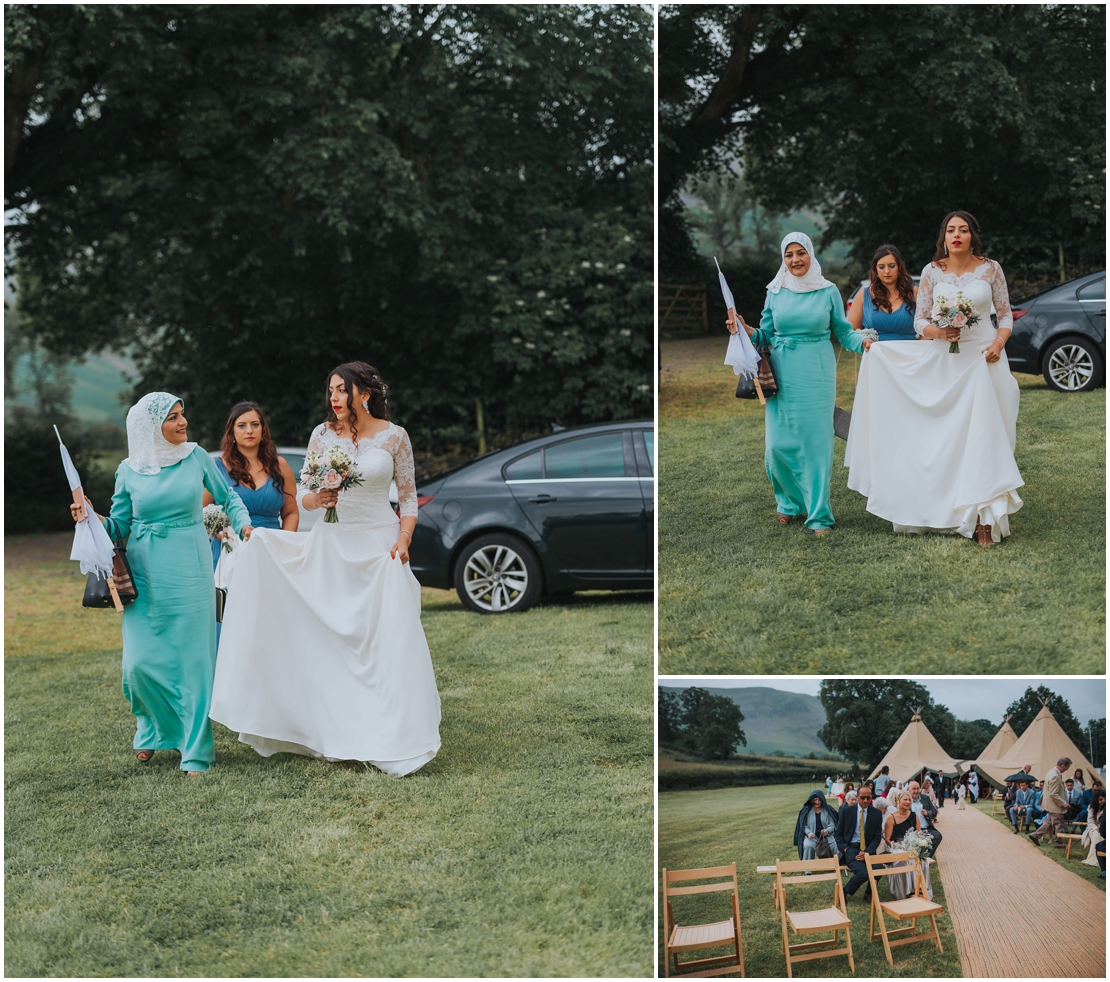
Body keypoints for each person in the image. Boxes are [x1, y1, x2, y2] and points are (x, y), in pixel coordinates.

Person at [210, 362, 441, 775]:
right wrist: (323, 498)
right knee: (335, 642)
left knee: (385, 640)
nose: (333, 398)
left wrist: (403, 539)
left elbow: (407, 499)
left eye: (340, 390)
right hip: (333, 547)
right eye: (330, 391)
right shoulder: (322, 435)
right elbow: (306, 497)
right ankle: (336, 729)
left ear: (363, 394)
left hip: (380, 548)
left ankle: (391, 731)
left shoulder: (394, 436)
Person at [70, 392, 254, 774]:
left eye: (182, 414)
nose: (182, 422)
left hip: (189, 567)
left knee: (193, 663)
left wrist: (244, 524)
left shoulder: (197, 456)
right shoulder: (128, 469)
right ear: (151, 427)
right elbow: (120, 525)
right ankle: (151, 731)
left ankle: (195, 749)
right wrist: (90, 516)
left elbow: (228, 496)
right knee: (138, 664)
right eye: (172, 417)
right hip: (145, 572)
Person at [844, 210, 1023, 546]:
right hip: (949, 360)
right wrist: (939, 333)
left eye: (964, 230)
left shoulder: (991, 268)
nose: (957, 235)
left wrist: (999, 343)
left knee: (988, 434)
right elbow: (919, 321)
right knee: (953, 438)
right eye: (951, 229)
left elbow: (1006, 313)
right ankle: (957, 512)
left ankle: (985, 516)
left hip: (986, 358)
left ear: (973, 236)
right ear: (943, 236)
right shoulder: (930, 272)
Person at [730, 232, 871, 536]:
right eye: (789, 255)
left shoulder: (828, 290)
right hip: (782, 372)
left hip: (816, 372)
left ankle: (819, 515)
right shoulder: (775, 291)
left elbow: (844, 333)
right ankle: (790, 502)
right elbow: (765, 335)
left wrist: (867, 344)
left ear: (811, 254)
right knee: (776, 446)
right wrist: (745, 329)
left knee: (815, 446)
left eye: (800, 253)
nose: (795, 260)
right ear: (784, 259)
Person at [202, 401, 299, 569]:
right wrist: (219, 533)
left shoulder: (280, 466)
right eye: (241, 425)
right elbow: (200, 512)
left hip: (270, 551)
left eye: (255, 424)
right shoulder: (215, 467)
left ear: (263, 430)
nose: (249, 430)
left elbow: (291, 513)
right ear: (231, 432)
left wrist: (283, 545)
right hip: (229, 552)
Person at [848, 244, 920, 341]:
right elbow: (851, 332)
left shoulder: (915, 293)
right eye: (881, 267)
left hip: (911, 354)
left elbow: (927, 328)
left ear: (899, 267)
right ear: (876, 270)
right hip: (876, 354)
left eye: (891, 266)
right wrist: (863, 341)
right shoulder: (863, 295)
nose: (887, 271)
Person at [836, 786, 884, 901]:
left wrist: (867, 851)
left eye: (868, 797)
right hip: (851, 848)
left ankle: (868, 893)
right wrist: (845, 849)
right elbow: (838, 834)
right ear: (857, 797)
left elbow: (877, 837)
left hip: (868, 849)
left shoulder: (876, 813)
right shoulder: (846, 811)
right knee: (863, 873)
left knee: (878, 868)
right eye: (862, 797)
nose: (866, 800)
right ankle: (843, 891)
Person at [1029, 756, 1072, 848]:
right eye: (1067, 767)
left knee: (1049, 822)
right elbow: (1053, 794)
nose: (1067, 769)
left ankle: (1035, 835)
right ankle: (1058, 842)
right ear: (1063, 766)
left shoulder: (1051, 772)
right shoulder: (1055, 776)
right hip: (1055, 805)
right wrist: (1064, 803)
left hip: (1050, 804)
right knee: (1059, 823)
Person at [794, 790, 840, 860]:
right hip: (812, 837)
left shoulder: (828, 810)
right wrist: (809, 833)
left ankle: (837, 864)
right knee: (808, 846)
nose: (817, 802)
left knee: (835, 846)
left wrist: (827, 831)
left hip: (827, 836)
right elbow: (803, 825)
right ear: (812, 800)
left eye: (819, 800)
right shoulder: (807, 810)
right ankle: (808, 869)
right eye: (815, 800)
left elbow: (832, 825)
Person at [908, 781, 942, 855]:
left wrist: (927, 813)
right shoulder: (907, 800)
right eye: (914, 789)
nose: (916, 791)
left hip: (926, 829)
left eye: (918, 788)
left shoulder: (925, 798)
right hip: (913, 830)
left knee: (938, 836)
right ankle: (917, 857)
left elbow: (934, 812)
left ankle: (926, 857)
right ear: (909, 789)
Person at [1082, 788, 1106, 867]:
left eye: (1102, 799)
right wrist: (1096, 828)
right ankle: (1093, 859)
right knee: (1096, 835)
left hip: (1103, 828)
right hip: (1093, 828)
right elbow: (1090, 822)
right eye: (1099, 800)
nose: (1100, 802)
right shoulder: (1091, 807)